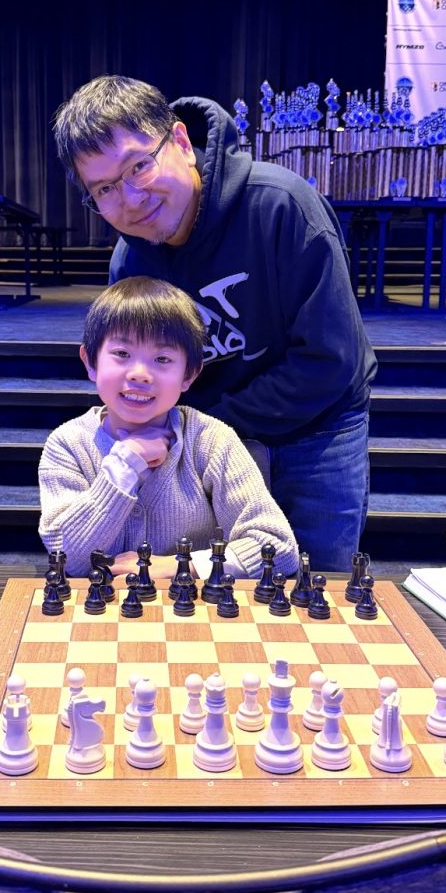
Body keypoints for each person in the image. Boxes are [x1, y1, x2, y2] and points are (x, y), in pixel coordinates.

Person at [52, 76, 377, 571]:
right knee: (217, 583)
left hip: (316, 427)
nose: (131, 199)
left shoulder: (281, 206)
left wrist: (210, 426)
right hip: (213, 434)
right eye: (104, 189)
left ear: (181, 142)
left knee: (319, 580)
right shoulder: (131, 261)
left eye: (139, 166)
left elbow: (329, 360)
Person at [38, 276, 298, 579]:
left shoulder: (210, 440)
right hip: (100, 607)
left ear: (189, 374)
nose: (140, 374)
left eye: (162, 358)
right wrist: (126, 464)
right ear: (90, 362)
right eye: (122, 354)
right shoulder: (68, 444)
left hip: (193, 605)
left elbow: (278, 548)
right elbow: (68, 558)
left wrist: (180, 566)